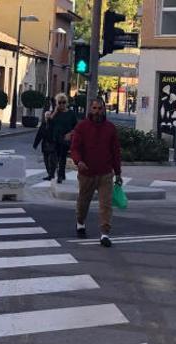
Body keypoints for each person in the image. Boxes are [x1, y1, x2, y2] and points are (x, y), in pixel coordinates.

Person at [70, 97, 122, 248]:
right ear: (90, 109)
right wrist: (78, 161)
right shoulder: (82, 127)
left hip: (105, 173)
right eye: (95, 108)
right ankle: (80, 222)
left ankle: (105, 234)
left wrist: (118, 173)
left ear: (104, 110)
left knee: (105, 204)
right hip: (87, 172)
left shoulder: (110, 128)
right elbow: (75, 148)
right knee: (83, 202)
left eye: (100, 109)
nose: (97, 112)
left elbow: (115, 152)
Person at [41, 93, 78, 183]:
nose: (62, 104)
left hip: (65, 138)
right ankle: (51, 174)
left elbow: (76, 127)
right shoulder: (55, 113)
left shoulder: (71, 114)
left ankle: (60, 176)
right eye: (60, 102)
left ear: (67, 103)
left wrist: (70, 134)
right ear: (57, 103)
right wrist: (55, 112)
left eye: (64, 102)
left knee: (62, 157)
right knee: (52, 157)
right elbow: (49, 123)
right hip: (54, 138)